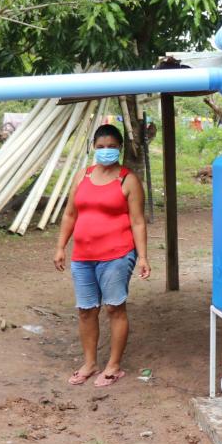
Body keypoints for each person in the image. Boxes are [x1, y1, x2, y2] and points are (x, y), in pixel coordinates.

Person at [53, 124, 151, 387]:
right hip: (83, 256)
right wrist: (61, 246)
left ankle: (114, 365)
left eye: (111, 147)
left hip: (117, 255)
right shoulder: (82, 176)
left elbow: (138, 221)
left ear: (119, 148)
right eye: (100, 147)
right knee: (86, 310)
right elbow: (70, 214)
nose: (105, 151)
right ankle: (90, 363)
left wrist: (142, 256)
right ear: (93, 148)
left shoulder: (127, 179)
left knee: (114, 308)